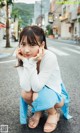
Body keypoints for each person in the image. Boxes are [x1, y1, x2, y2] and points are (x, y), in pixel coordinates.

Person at [15, 25, 72, 133]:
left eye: (32, 44)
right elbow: (26, 87)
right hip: (36, 87)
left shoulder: (50, 57)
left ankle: (53, 113)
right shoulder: (21, 57)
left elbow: (37, 87)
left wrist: (31, 63)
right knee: (26, 94)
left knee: (37, 94)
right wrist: (27, 62)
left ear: (42, 45)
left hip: (54, 90)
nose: (26, 50)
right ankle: (39, 111)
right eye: (23, 44)